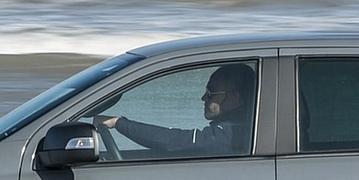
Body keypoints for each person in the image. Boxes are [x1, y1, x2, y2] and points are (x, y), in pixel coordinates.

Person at [99, 63, 255, 157]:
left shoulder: (234, 133)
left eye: (211, 93)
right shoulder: (243, 127)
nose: (203, 98)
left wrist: (118, 123)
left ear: (235, 98)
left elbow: (174, 141)